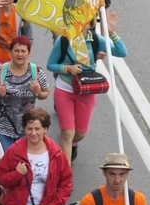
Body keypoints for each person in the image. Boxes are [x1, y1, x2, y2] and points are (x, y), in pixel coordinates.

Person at [46, 11, 127, 162]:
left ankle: (70, 144)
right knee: (67, 133)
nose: (78, 24)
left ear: (89, 24)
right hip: (65, 89)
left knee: (80, 133)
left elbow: (122, 52)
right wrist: (67, 69)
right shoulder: (63, 40)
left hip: (86, 91)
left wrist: (111, 32)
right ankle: (65, 177)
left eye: (83, 21)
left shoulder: (96, 40)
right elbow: (50, 64)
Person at [0, 36, 48, 151]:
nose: (20, 54)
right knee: (6, 160)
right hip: (2, 126)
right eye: (16, 51)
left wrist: (38, 93)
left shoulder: (37, 71)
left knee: (23, 161)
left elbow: (45, 93)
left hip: (27, 127)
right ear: (10, 52)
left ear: (29, 53)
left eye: (23, 51)